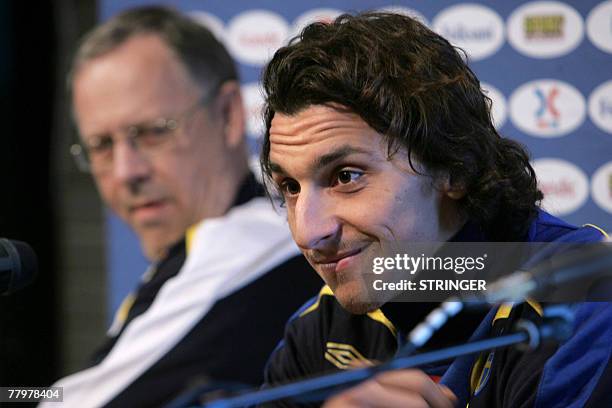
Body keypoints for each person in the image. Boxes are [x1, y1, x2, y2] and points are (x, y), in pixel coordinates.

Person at [259, 12, 611, 407]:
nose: (308, 232)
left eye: (346, 176)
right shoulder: (325, 322)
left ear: (453, 168)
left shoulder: (583, 298)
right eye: (289, 187)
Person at [43, 6, 322, 407]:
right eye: (102, 146)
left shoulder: (246, 242)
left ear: (228, 115)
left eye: (154, 132)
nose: (125, 172)